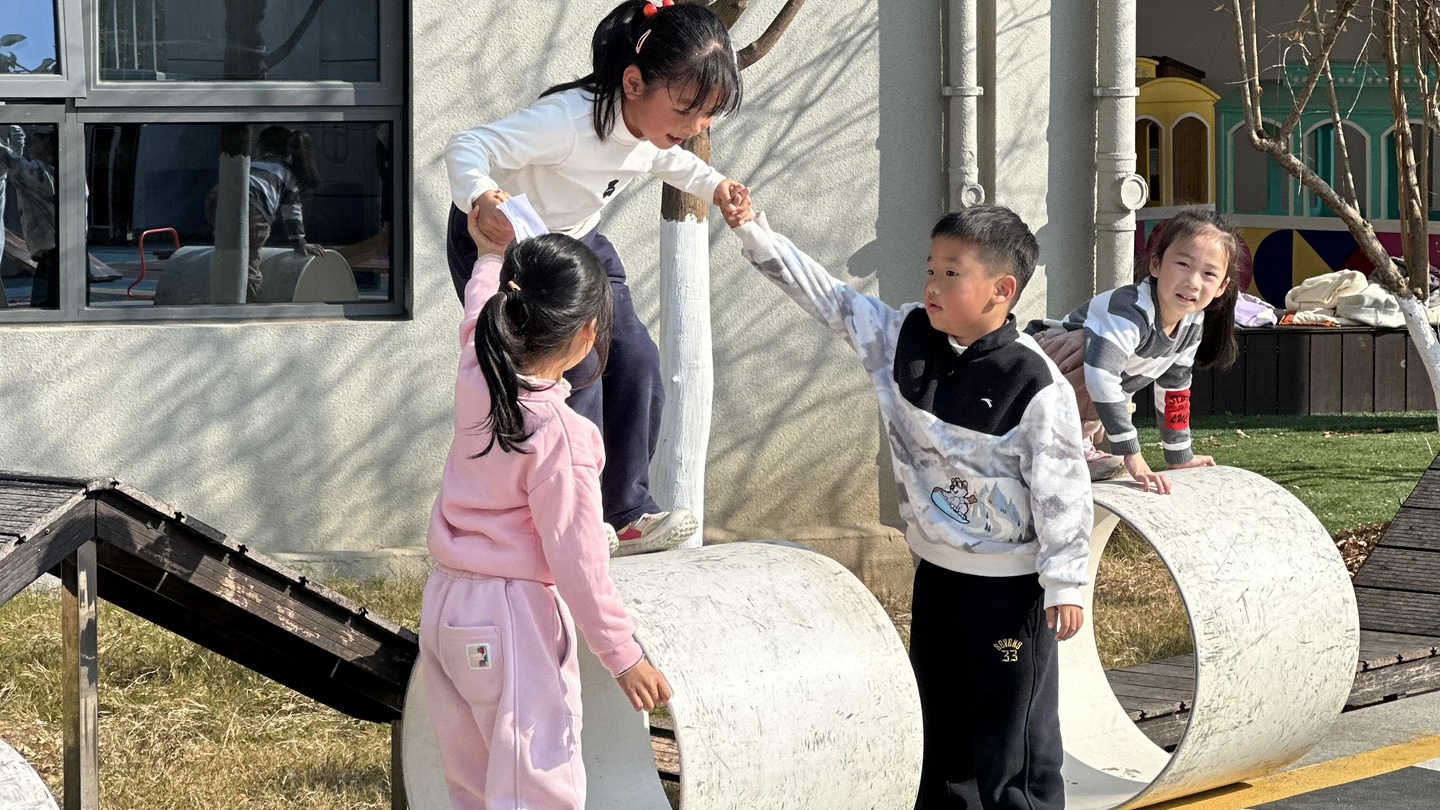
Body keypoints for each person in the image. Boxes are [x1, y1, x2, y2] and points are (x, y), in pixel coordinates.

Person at [723, 200, 1090, 810]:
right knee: (939, 724)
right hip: (938, 575)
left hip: (1010, 590)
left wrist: (1065, 582)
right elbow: (829, 297)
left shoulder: (1035, 383)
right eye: (930, 269)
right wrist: (753, 231)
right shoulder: (902, 337)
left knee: (1011, 742)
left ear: (1002, 290)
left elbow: (1063, 488)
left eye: (952, 273)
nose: (932, 285)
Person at [444, 0, 750, 555]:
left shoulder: (652, 131)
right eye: (687, 110)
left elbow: (668, 162)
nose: (696, 127)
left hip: (578, 243)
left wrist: (717, 186)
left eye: (708, 115)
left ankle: (626, 512)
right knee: (579, 367)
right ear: (634, 83)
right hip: (507, 243)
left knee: (637, 361)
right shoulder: (566, 122)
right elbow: (469, 144)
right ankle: (576, 513)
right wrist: (482, 195)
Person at [421, 207, 671, 810]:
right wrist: (623, 654)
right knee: (539, 787)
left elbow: (476, 314)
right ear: (588, 335)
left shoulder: (477, 374)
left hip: (447, 605)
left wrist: (488, 255)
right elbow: (579, 561)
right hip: (513, 620)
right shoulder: (563, 435)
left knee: (473, 785)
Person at [1028, 208, 1240, 493]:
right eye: (1183, 264)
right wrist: (1132, 454)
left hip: (1072, 393)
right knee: (1094, 358)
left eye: (1209, 273)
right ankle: (1070, 446)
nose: (1193, 281)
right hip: (1035, 369)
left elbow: (1175, 391)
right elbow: (1101, 377)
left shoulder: (1192, 322)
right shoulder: (1131, 310)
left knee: (1111, 378)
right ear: (1156, 265)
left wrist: (1179, 456)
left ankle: (1072, 442)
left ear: (1222, 287)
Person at [205, 125, 325, 301]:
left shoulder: (252, 165)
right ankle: (245, 303)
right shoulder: (286, 173)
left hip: (218, 197)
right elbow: (292, 212)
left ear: (261, 148)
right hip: (253, 208)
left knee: (228, 251)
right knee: (248, 262)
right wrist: (299, 243)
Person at [0, 128, 58, 308]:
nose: (30, 147)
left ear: (47, 147)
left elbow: (12, 162)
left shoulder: (43, 175)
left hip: (54, 253)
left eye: (35, 143)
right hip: (53, 251)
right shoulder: (55, 172)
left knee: (47, 304)